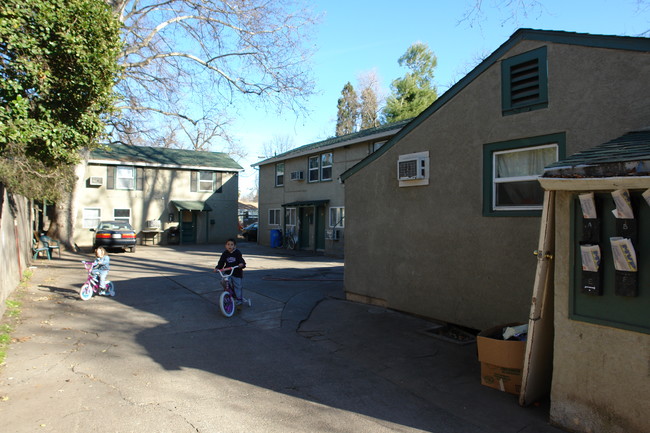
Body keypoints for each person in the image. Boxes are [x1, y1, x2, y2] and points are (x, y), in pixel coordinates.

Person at [214, 238, 246, 302]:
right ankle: (230, 290)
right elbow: (221, 262)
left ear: (234, 246)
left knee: (238, 286)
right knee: (223, 281)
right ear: (225, 246)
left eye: (232, 244)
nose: (230, 246)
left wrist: (241, 264)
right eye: (228, 244)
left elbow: (240, 259)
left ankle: (239, 299)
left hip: (237, 272)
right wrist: (217, 268)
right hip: (228, 272)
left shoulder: (237, 252)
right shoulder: (225, 253)